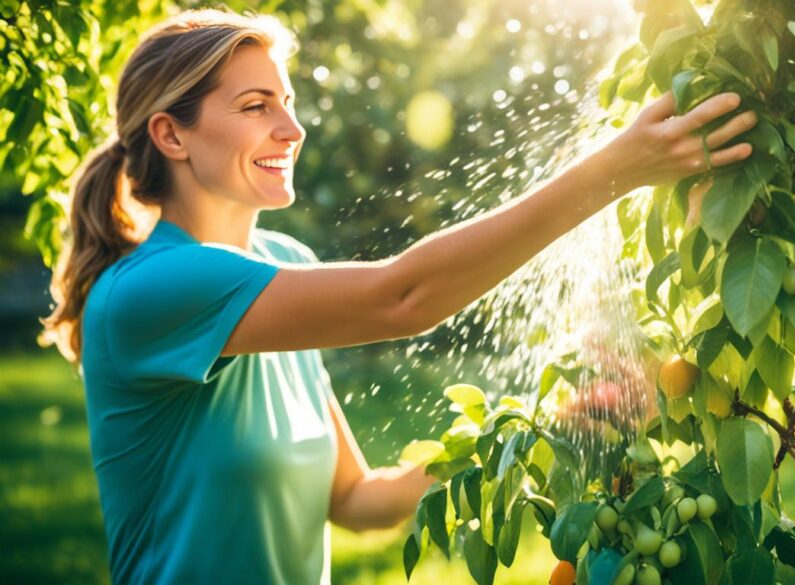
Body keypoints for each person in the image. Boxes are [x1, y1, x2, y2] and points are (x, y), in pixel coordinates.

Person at [40, 8, 758, 585]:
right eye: (256, 107)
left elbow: (358, 501)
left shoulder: (284, 262)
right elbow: (403, 296)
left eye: (287, 103)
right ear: (170, 133)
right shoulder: (149, 291)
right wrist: (615, 169)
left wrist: (539, 430)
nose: (290, 130)